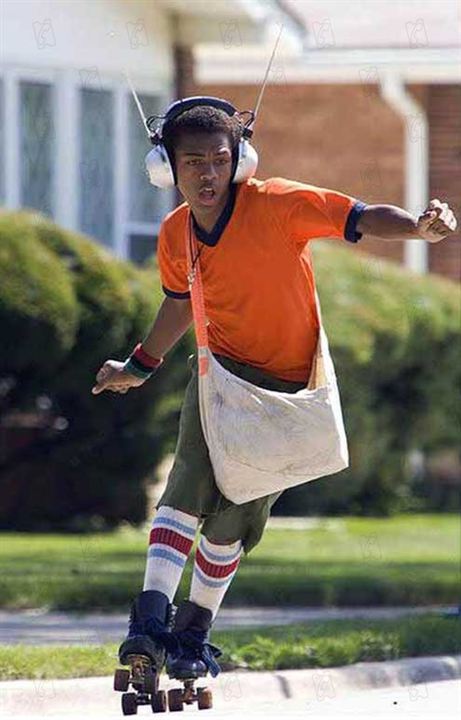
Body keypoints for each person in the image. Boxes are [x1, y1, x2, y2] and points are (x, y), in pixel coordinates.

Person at [91, 97, 457, 684]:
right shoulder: (175, 234)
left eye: (219, 160)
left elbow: (358, 217)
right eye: (192, 164)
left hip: (287, 393)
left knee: (236, 515)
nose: (207, 175)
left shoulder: (278, 203)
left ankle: (192, 634)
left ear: (240, 161)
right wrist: (140, 364)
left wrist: (417, 225)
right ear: (167, 168)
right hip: (219, 379)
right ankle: (149, 622)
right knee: (185, 487)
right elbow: (179, 303)